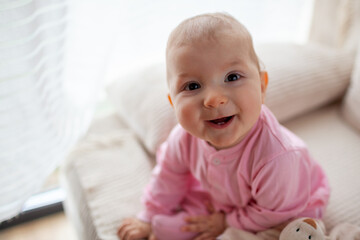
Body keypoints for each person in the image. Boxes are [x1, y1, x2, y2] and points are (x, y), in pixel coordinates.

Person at [117, 12, 330, 240]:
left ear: (262, 86)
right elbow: (168, 177)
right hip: (222, 196)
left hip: (285, 205)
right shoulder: (183, 138)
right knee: (167, 228)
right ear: (172, 103)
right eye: (192, 86)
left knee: (287, 232)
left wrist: (226, 222)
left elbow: (274, 212)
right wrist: (149, 215)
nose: (214, 99)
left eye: (232, 77)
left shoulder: (277, 156)